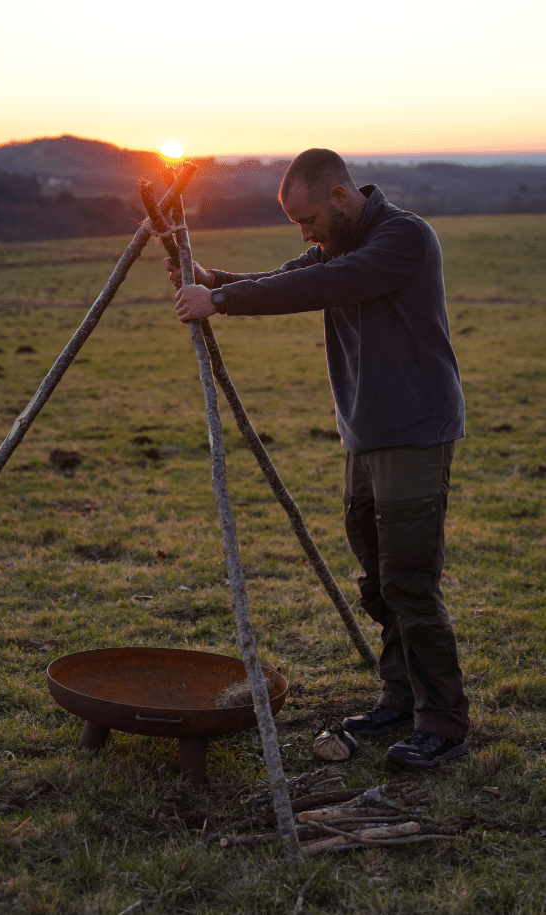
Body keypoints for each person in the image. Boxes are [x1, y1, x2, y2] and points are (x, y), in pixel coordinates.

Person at [166, 148, 469, 769]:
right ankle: (400, 697)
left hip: (415, 430)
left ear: (339, 196)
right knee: (378, 578)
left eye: (306, 221)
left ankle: (443, 721)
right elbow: (287, 275)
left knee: (410, 581)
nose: (304, 235)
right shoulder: (335, 243)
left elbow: (321, 286)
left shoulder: (402, 237)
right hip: (364, 432)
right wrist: (215, 279)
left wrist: (219, 304)